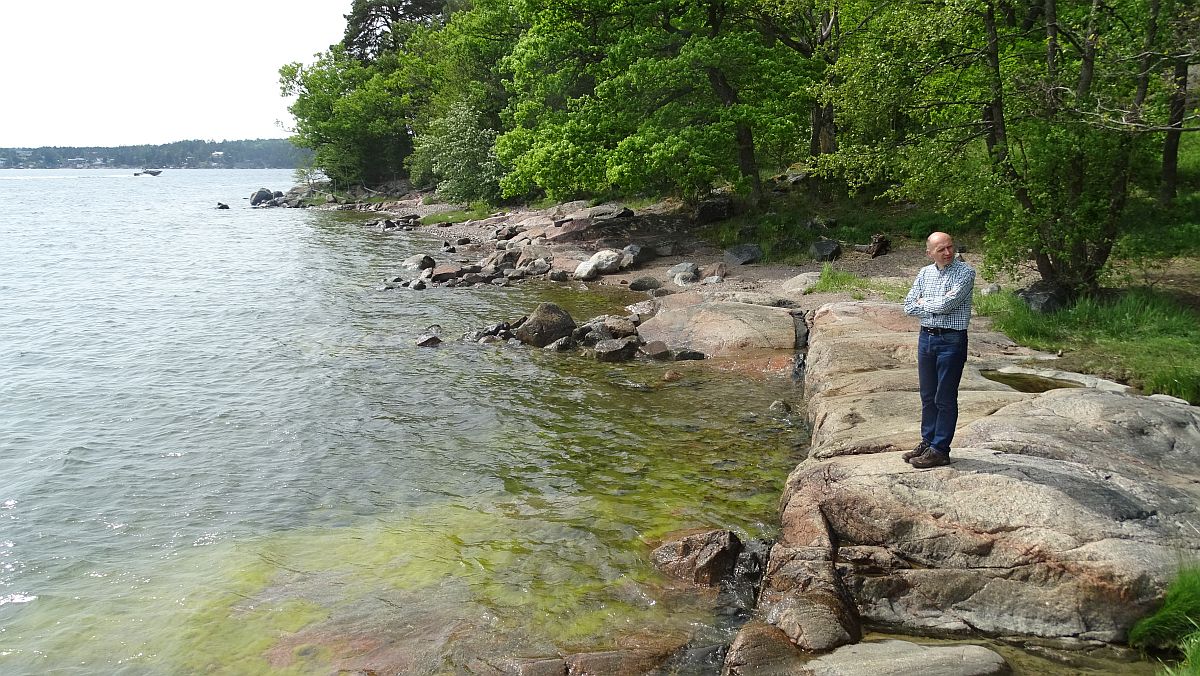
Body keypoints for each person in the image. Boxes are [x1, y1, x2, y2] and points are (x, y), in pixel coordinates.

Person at [901, 232, 975, 468]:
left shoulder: (965, 272)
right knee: (928, 395)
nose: (948, 253)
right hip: (927, 339)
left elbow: (947, 304)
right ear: (929, 253)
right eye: (941, 249)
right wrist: (928, 306)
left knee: (944, 397)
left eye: (950, 247)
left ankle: (941, 449)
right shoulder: (925, 273)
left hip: (951, 341)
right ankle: (928, 441)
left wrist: (925, 304)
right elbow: (908, 306)